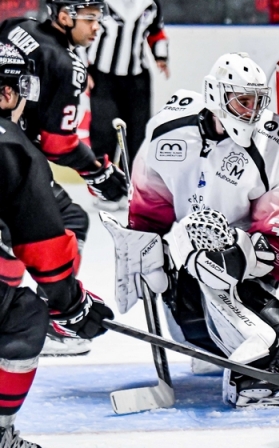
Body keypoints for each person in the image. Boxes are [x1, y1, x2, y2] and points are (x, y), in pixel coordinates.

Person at [127, 52, 279, 408]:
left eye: (258, 102)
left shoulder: (275, 143)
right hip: (185, 265)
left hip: (244, 268)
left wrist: (239, 260)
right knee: (193, 329)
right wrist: (147, 255)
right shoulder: (167, 130)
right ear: (216, 96)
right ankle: (218, 350)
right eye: (242, 101)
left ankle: (248, 373)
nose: (252, 111)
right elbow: (148, 208)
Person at [0, 41, 114, 448]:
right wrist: (70, 303)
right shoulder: (12, 146)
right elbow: (43, 246)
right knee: (24, 314)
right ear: (7, 93)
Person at [1, 0, 128, 356]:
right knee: (44, 229)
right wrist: (98, 171)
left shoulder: (15, 26)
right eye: (90, 18)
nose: (97, 27)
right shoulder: (68, 63)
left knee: (53, 222)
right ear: (62, 16)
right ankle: (54, 318)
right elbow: (57, 143)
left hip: (11, 147)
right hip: (13, 157)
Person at [85, 0, 169, 211]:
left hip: (137, 78)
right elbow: (81, 32)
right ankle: (104, 189)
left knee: (137, 137)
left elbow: (156, 32)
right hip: (103, 76)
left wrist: (160, 57)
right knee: (104, 133)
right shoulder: (99, 3)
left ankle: (131, 189)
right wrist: (82, 67)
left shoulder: (150, 4)